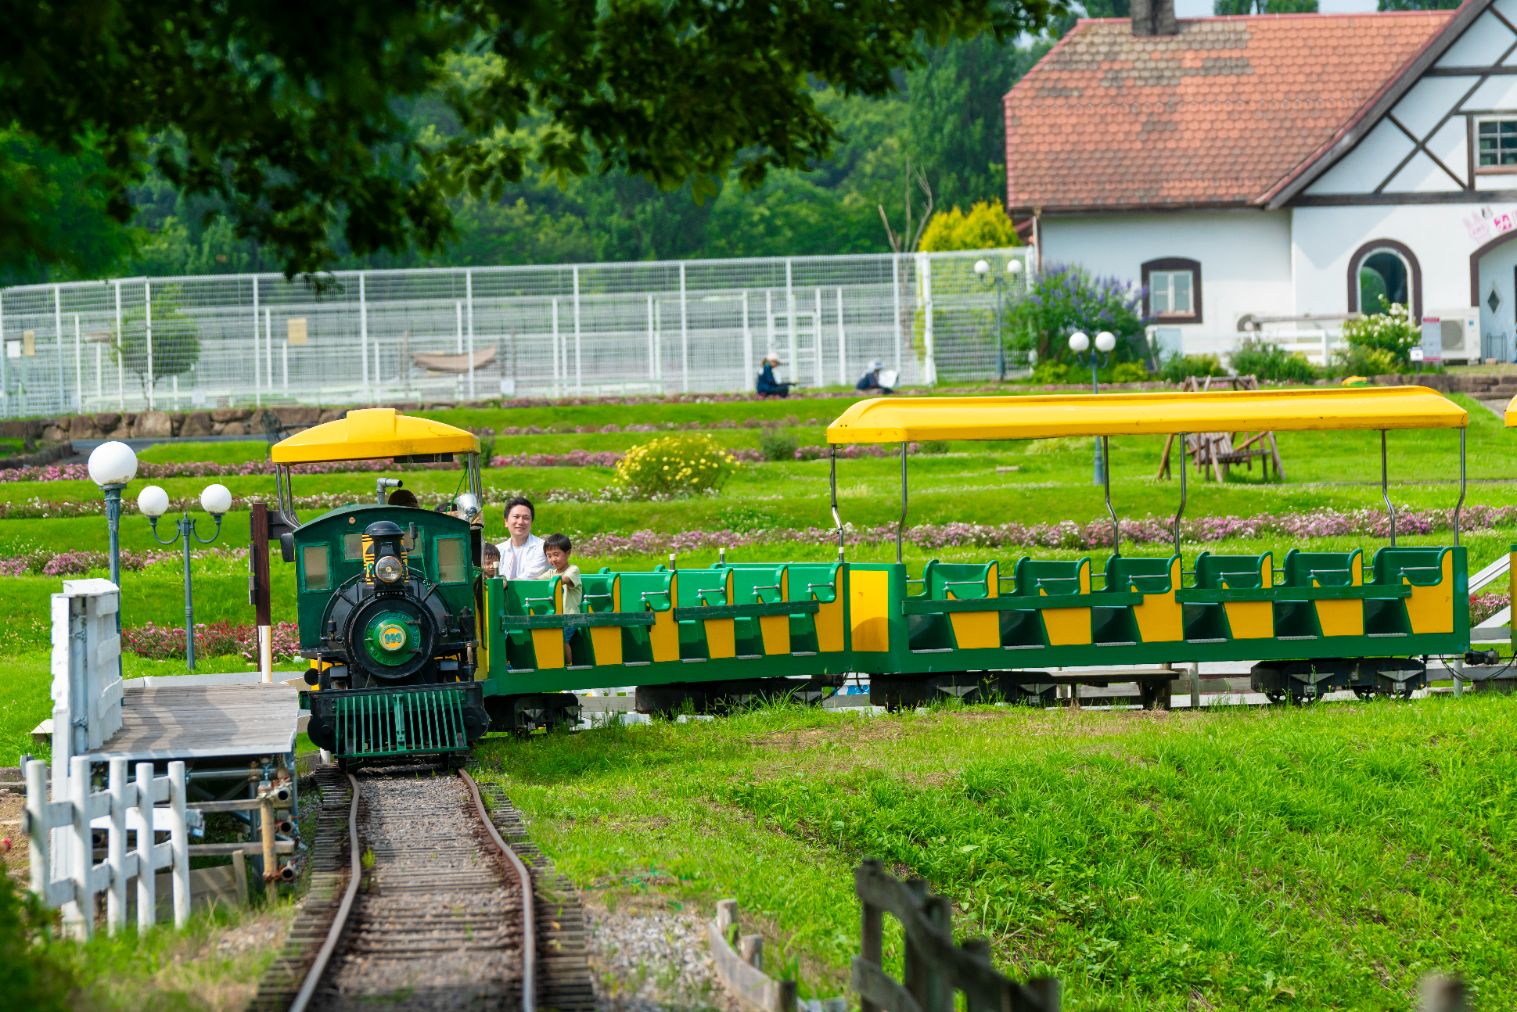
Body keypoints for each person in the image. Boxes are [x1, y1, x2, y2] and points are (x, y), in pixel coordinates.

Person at [543, 533, 581, 664]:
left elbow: (564, 579)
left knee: (561, 638)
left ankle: (568, 665)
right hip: (556, 617)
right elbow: (536, 581)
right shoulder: (551, 573)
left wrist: (549, 581)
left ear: (568, 553)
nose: (553, 559)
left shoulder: (573, 570)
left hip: (570, 617)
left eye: (556, 554)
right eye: (549, 556)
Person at [495, 496, 550, 581]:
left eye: (526, 518)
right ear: (506, 522)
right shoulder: (498, 550)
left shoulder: (543, 548)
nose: (520, 522)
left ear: (531, 522)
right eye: (516, 517)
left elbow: (529, 577)